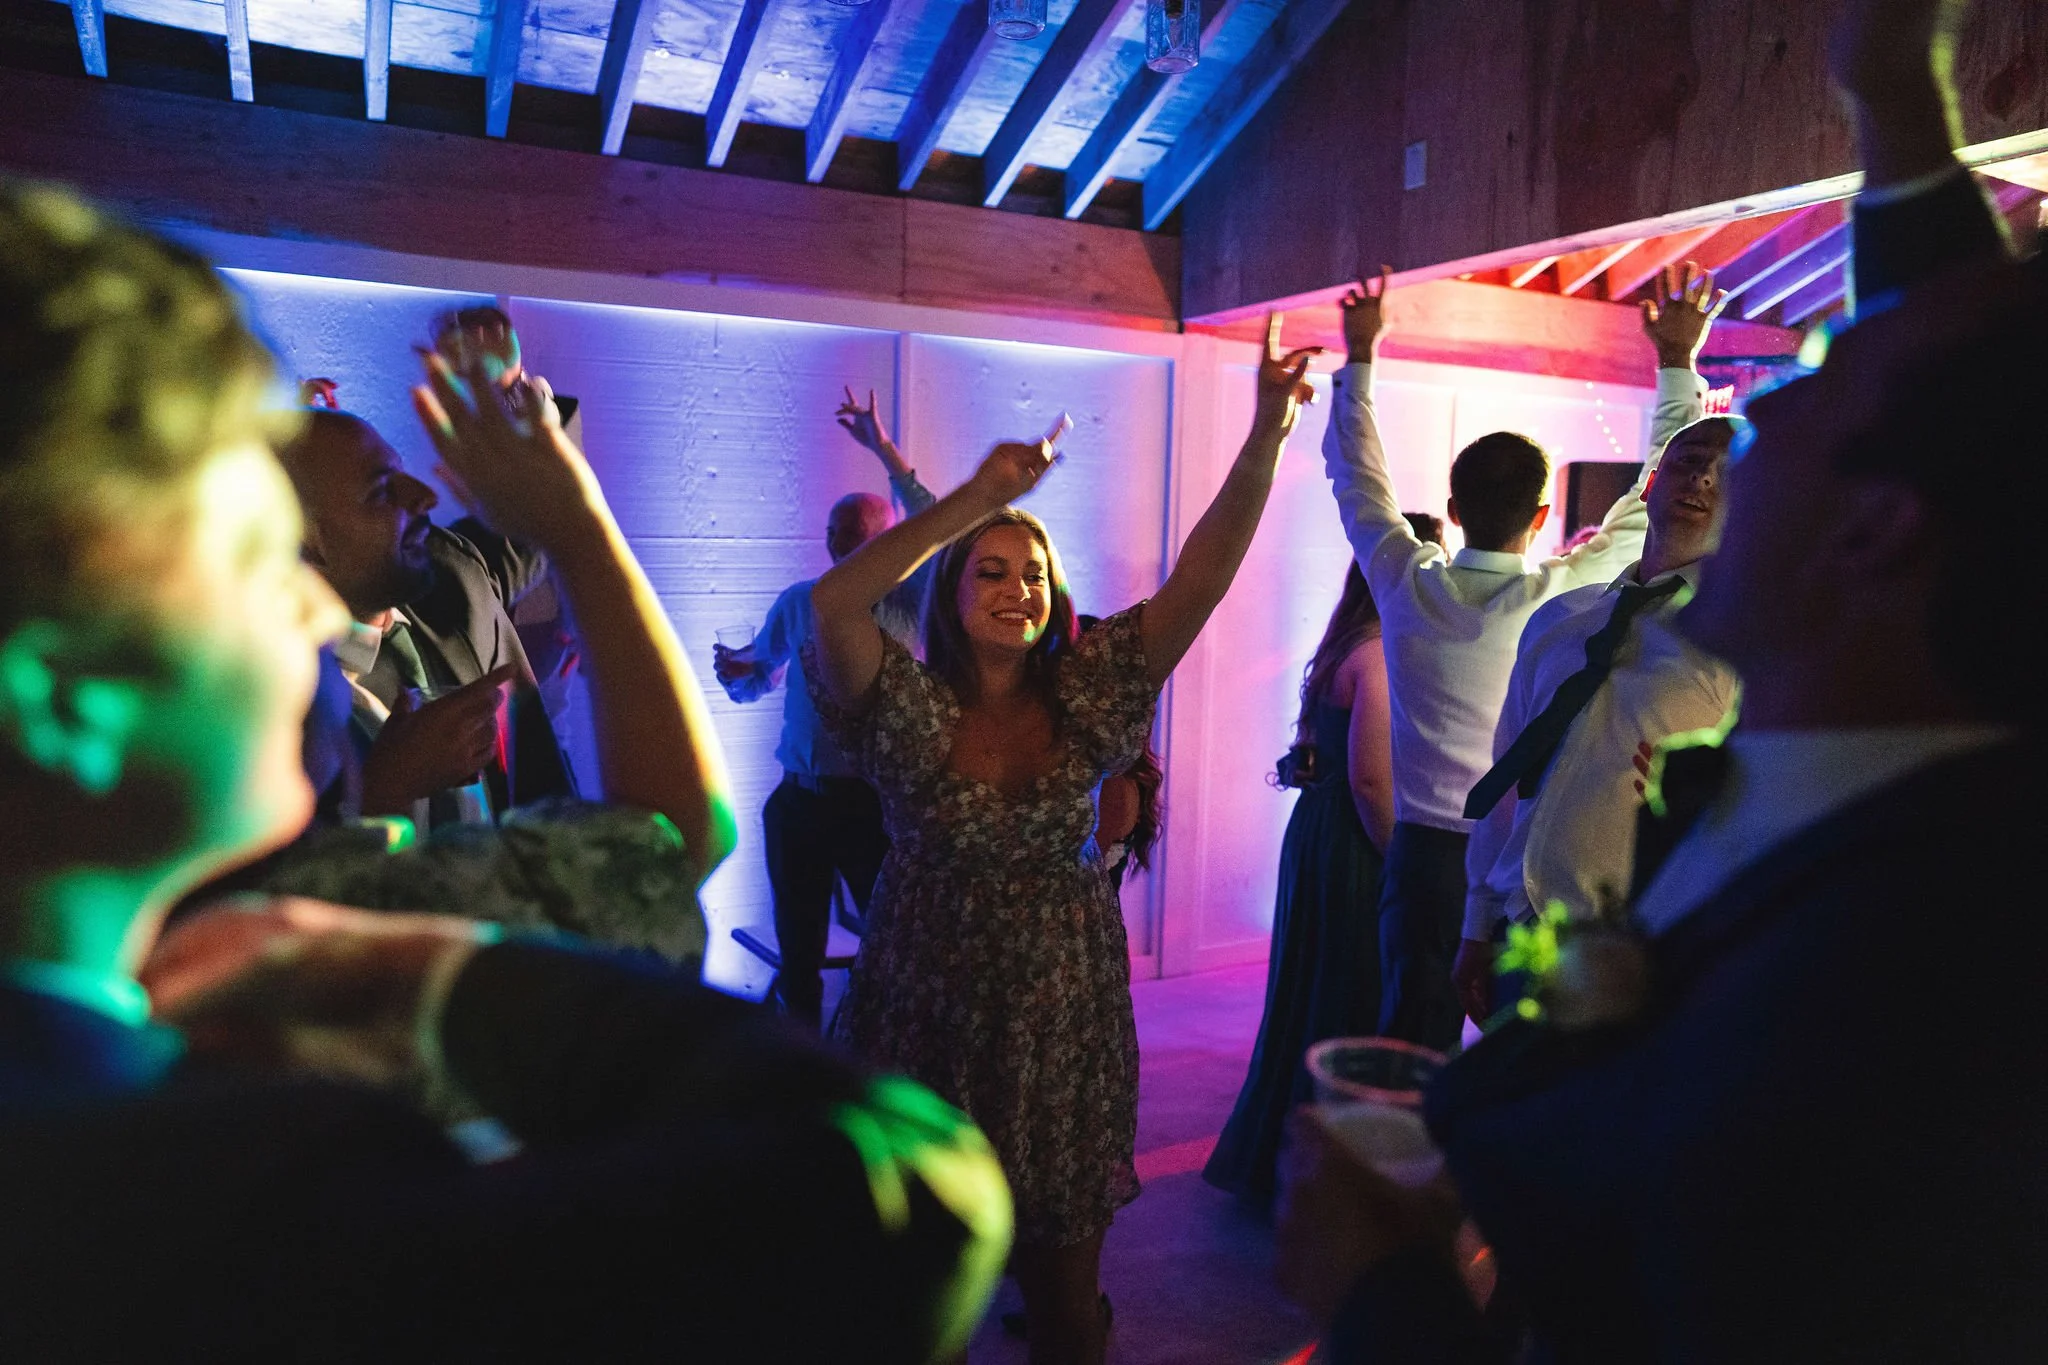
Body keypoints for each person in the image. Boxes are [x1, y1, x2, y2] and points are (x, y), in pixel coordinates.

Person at [0, 181, 1010, 1360]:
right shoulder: (248, 1166)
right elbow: (906, 1188)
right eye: (253, 555)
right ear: (61, 692)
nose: (310, 604)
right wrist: (440, 981)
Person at [1275, 2, 2048, 1359]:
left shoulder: (1895, 996)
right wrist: (1892, 101)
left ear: (1872, 534)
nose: (1709, 468)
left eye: (1796, 396)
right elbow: (1957, 422)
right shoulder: (1827, 779)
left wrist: (1380, 1298)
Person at [806, 316, 1320, 1365]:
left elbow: (1201, 577)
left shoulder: (1088, 692)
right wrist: (979, 498)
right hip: (925, 1008)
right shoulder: (906, 704)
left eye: (1032, 573)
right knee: (911, 1294)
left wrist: (1267, 428)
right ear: (952, 593)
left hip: (1060, 1024)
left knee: (1065, 1299)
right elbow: (835, 598)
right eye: (990, 572)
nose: (1016, 590)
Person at [1323, 264, 1713, 1051]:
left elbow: (1357, 481)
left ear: (1453, 508)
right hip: (1515, 855)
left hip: (1420, 851)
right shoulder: (1563, 598)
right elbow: (1650, 498)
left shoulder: (1406, 582)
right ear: (1542, 515)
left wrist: (1359, 356)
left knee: (1409, 1043)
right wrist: (1678, 362)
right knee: (1519, 1050)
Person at [1451, 415, 1742, 1022]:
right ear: (1651, 481)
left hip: (1632, 946)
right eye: (1690, 458)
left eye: (1728, 469)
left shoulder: (1738, 644)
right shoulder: (1560, 619)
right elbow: (1508, 772)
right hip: (1518, 921)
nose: (1704, 477)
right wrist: (1476, 923)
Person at [714, 387, 938, 1024]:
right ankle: (802, 1058)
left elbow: (938, 525)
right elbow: (758, 679)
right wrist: (736, 675)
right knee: (799, 952)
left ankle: (884, 1052)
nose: (839, 547)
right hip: (799, 801)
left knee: (893, 945)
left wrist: (883, 447)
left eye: (855, 537)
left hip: (874, 803)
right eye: (836, 535)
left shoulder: (909, 601)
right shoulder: (800, 600)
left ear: (887, 542)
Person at [277, 394, 573, 830]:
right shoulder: (257, 707)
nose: (425, 496)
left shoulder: (449, 576)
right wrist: (388, 788)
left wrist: (518, 402)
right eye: (382, 490)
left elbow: (542, 515)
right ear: (306, 539)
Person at [1202, 557, 1394, 1207]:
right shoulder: (1379, 655)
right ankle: (1320, 1178)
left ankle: (1275, 1162)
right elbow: (1371, 780)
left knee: (1303, 989)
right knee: (1346, 988)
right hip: (1353, 835)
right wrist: (1399, 857)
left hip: (1314, 827)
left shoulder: (1342, 645)